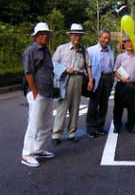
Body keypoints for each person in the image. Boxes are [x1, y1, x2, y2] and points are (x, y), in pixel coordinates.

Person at [52, 24, 93, 145]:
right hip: (65, 78)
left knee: (75, 107)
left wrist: (90, 80)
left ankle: (71, 133)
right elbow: (53, 63)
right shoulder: (62, 49)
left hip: (79, 78)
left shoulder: (84, 50)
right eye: (75, 34)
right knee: (62, 107)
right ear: (70, 35)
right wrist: (64, 69)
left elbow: (88, 66)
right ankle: (56, 134)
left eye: (79, 35)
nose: (77, 37)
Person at [21, 22, 55, 167]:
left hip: (47, 92)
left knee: (47, 124)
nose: (44, 36)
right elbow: (28, 72)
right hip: (37, 93)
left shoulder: (46, 51)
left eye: (46, 34)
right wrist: (34, 91)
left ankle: (38, 149)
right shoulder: (31, 50)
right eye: (41, 34)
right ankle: (27, 154)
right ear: (35, 36)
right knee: (34, 124)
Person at [113, 35, 135, 134]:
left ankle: (130, 125)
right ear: (124, 44)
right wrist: (120, 78)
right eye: (127, 42)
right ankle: (117, 126)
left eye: (131, 42)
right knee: (118, 107)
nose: (129, 44)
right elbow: (115, 70)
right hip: (121, 85)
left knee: (132, 107)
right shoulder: (120, 56)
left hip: (133, 85)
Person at [86, 29, 114, 138]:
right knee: (93, 104)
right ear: (99, 38)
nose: (106, 40)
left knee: (104, 104)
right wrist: (89, 79)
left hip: (108, 78)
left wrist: (112, 78)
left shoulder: (111, 50)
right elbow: (87, 66)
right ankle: (91, 129)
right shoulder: (91, 50)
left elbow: (112, 65)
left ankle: (100, 127)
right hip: (96, 78)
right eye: (104, 38)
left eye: (108, 38)